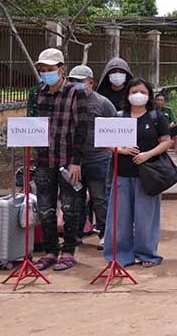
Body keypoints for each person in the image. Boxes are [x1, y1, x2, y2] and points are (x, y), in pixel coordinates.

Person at [31, 48, 88, 272]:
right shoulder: (39, 92)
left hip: (68, 159)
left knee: (70, 206)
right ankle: (50, 251)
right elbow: (34, 124)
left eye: (50, 69)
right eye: (42, 70)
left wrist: (76, 161)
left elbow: (82, 128)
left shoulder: (75, 93)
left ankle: (69, 251)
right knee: (45, 208)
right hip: (44, 159)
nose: (46, 73)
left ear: (62, 69)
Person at [104, 78, 171, 267]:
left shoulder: (156, 117)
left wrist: (147, 155)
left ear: (149, 95)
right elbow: (106, 141)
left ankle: (147, 254)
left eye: (142, 91)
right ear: (127, 94)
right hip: (122, 173)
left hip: (148, 175)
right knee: (119, 217)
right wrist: (120, 150)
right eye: (134, 91)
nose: (138, 95)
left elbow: (166, 141)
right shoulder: (119, 117)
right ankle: (119, 255)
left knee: (146, 217)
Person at [66, 65, 116, 250]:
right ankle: (76, 233)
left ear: (90, 82)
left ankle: (104, 234)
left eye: (79, 81)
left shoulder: (103, 103)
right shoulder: (67, 102)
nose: (75, 85)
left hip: (98, 159)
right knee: (75, 199)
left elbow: (115, 126)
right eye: (72, 81)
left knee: (100, 198)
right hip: (74, 161)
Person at [155, 92, 177, 157]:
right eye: (158, 100)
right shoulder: (151, 111)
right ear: (155, 101)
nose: (159, 101)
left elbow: (173, 121)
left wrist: (170, 124)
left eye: (161, 100)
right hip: (155, 132)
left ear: (164, 102)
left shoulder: (168, 110)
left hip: (167, 130)